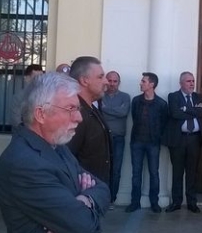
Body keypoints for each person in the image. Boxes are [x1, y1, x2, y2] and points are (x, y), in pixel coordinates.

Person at [0, 72, 110, 233]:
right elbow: (81, 224)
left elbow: (102, 188)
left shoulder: (56, 147)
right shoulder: (24, 163)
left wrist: (84, 200)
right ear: (40, 114)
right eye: (70, 108)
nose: (78, 117)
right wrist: (81, 209)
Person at [164, 72, 202, 213]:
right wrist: (194, 110)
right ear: (181, 83)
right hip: (178, 139)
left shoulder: (198, 97)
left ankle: (192, 202)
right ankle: (176, 202)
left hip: (194, 139)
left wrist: (186, 109)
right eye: (188, 81)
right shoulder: (173, 96)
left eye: (193, 81)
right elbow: (175, 114)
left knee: (192, 172)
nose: (192, 83)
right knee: (177, 172)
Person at [126, 73, 168, 213]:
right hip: (136, 141)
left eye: (143, 81)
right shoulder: (136, 101)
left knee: (154, 173)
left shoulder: (161, 104)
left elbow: (164, 123)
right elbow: (134, 117)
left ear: (151, 84)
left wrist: (158, 137)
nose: (141, 83)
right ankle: (135, 202)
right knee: (136, 173)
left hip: (153, 143)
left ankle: (154, 202)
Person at [67, 57, 112, 185]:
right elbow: (67, 157)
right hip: (85, 196)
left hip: (97, 193)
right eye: (100, 77)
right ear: (85, 80)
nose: (106, 82)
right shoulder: (76, 113)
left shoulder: (92, 108)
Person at [100, 71, 131, 204]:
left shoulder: (125, 97)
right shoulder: (99, 96)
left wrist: (106, 109)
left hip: (118, 139)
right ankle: (102, 198)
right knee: (101, 168)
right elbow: (99, 113)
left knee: (116, 170)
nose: (112, 84)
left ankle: (112, 199)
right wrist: (115, 111)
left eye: (115, 81)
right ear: (106, 81)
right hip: (102, 138)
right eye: (110, 81)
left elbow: (123, 113)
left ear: (119, 82)